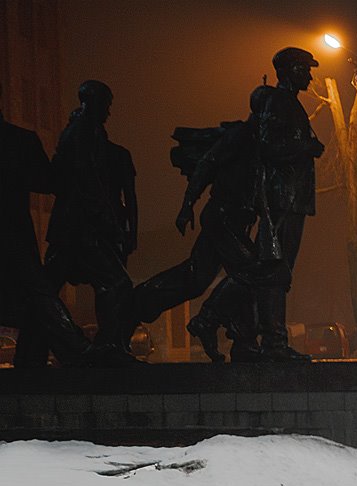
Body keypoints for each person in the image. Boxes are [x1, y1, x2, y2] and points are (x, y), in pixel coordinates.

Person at [130, 86, 274, 363]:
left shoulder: (259, 141)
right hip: (223, 217)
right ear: (263, 111)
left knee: (195, 279)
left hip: (235, 220)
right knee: (254, 271)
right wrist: (187, 204)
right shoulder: (241, 135)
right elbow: (207, 164)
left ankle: (140, 302)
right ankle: (207, 320)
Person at [0, 84, 124, 367]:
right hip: (12, 234)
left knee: (38, 294)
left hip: (14, 235)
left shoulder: (23, 140)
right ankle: (76, 349)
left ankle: (57, 351)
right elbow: (50, 181)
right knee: (38, 292)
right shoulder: (19, 140)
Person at [42, 80, 136, 355]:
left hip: (74, 226)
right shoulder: (83, 131)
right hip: (80, 227)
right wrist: (107, 219)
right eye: (107, 105)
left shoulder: (84, 131)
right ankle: (107, 347)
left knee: (46, 288)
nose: (109, 112)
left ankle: (32, 349)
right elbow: (88, 179)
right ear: (94, 102)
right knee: (116, 283)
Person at [253, 46, 326, 361]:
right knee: (275, 271)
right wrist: (306, 146)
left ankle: (271, 339)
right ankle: (274, 343)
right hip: (281, 199)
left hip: (292, 199)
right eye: (304, 69)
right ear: (289, 71)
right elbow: (267, 146)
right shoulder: (278, 102)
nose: (309, 76)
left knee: (280, 271)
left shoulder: (289, 104)